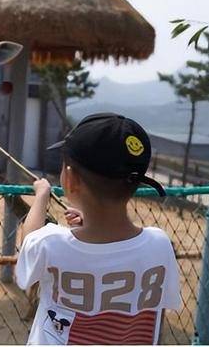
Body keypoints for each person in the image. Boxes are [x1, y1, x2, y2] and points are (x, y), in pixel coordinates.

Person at [16, 113, 181, 345]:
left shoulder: (51, 243)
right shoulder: (160, 244)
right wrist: (91, 223)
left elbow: (29, 241)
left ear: (70, 179)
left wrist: (42, 195)